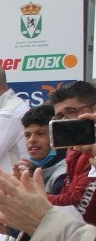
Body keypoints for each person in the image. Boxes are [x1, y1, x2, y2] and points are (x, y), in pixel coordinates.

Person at [45, 80, 96, 224]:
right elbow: (67, 195)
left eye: (71, 112)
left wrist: (36, 199)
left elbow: (79, 207)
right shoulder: (73, 151)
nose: (65, 121)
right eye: (60, 117)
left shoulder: (90, 153)